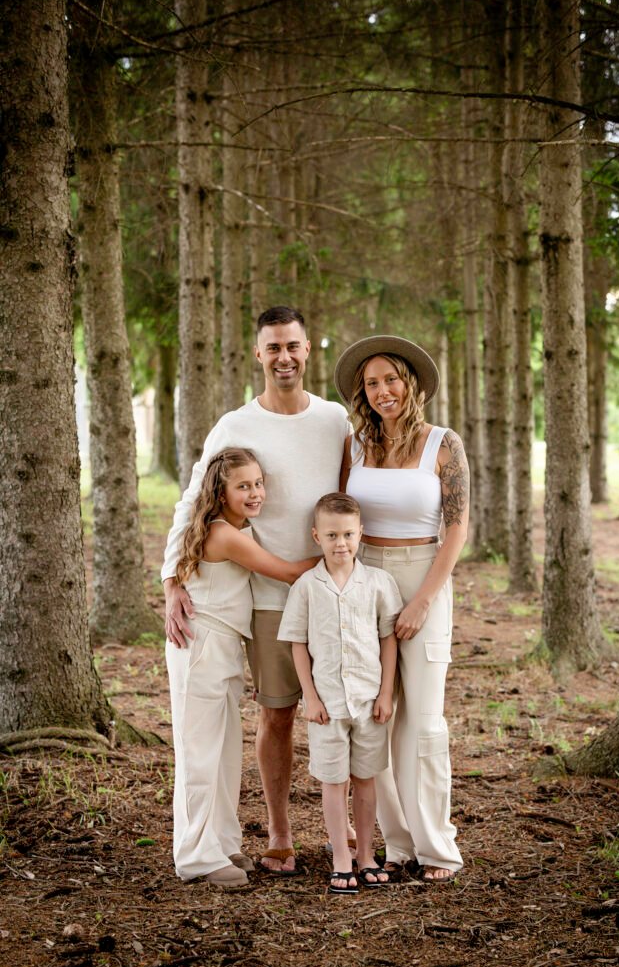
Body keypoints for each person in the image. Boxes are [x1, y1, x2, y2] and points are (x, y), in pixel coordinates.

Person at [162, 307, 349, 875]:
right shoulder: (234, 425)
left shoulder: (335, 419)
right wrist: (171, 580)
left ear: (308, 348)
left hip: (333, 595)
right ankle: (279, 835)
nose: (284, 357)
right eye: (273, 348)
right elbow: (192, 501)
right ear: (258, 353)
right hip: (266, 601)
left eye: (292, 346)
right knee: (276, 716)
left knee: (348, 711)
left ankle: (349, 835)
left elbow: (351, 492)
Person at [335, 335, 469, 883]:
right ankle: (398, 843)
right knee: (375, 714)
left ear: (410, 383)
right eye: (371, 383)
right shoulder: (354, 446)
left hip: (423, 575)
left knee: (424, 720)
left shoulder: (443, 443)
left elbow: (456, 530)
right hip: (365, 576)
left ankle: (437, 846)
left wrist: (422, 600)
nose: (382, 390)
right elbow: (340, 514)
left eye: (390, 378)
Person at [166, 448, 316, 888]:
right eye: (243, 486)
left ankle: (221, 842)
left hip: (225, 646)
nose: (255, 493)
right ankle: (195, 856)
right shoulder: (222, 534)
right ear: (221, 493)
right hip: (201, 646)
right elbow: (288, 573)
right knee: (200, 755)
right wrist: (341, 548)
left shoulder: (235, 529)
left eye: (258, 483)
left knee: (225, 752)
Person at [278, 493, 402, 894]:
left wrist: (386, 693)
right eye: (331, 535)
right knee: (333, 781)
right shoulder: (306, 587)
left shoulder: (379, 583)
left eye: (348, 534)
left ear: (360, 533)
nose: (341, 543)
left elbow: (388, 640)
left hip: (368, 701)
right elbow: (297, 643)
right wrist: (310, 697)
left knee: (365, 779)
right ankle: (341, 860)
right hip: (327, 706)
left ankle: (366, 855)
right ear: (317, 536)